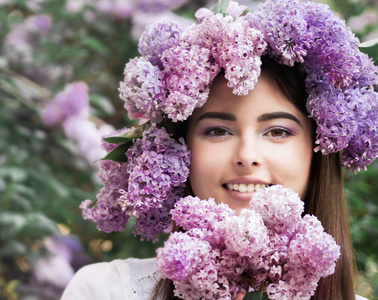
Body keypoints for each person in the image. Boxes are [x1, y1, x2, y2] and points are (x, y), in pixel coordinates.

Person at [61, 0, 377, 299]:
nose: (247, 155)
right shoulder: (106, 291)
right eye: (218, 131)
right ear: (180, 151)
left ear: (316, 150)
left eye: (278, 131)